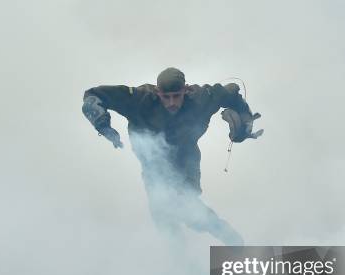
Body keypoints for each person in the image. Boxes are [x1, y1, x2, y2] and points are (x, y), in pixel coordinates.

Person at [81, 67, 262, 245]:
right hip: (153, 165)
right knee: (163, 217)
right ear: (157, 92)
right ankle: (181, 260)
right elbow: (94, 96)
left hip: (186, 159)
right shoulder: (139, 99)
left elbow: (233, 95)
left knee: (186, 206)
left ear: (186, 89)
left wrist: (244, 126)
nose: (171, 103)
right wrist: (102, 124)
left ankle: (229, 237)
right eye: (165, 97)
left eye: (177, 96)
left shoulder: (202, 98)